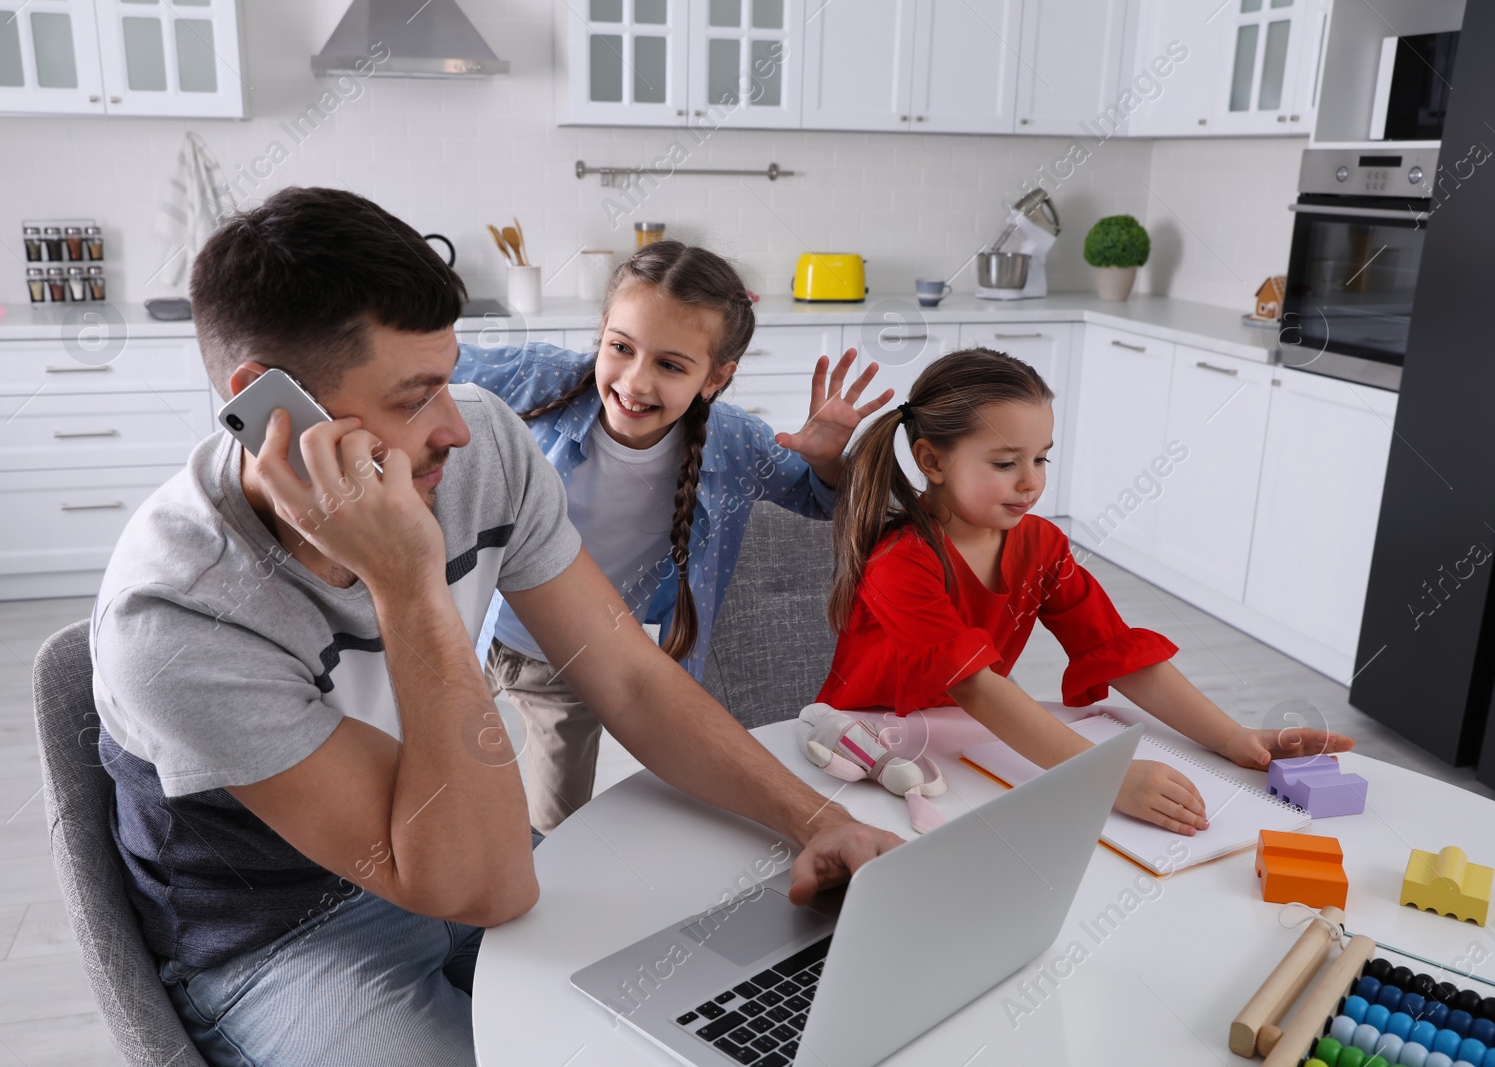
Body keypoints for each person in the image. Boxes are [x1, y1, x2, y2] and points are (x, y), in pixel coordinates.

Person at [89, 186, 902, 1067]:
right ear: (270, 407)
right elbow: (486, 885)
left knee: (731, 981)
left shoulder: (482, 444)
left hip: (454, 848)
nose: (459, 426)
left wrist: (814, 817)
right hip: (285, 936)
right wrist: (406, 581)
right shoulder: (178, 617)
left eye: (450, 374)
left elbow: (625, 676)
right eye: (415, 395)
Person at [816, 347, 1354, 834]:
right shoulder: (900, 563)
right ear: (932, 461)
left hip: (965, 743)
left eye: (1041, 458)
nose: (1031, 481)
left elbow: (1113, 650)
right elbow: (975, 687)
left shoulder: (1042, 546)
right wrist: (1108, 776)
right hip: (864, 750)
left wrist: (1230, 737)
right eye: (1006, 463)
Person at [454, 240, 892, 832]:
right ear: (601, 334)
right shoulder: (540, 380)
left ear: (716, 378)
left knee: (559, 830)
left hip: (574, 663)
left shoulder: (735, 444)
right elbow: (423, 371)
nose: (634, 381)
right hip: (470, 628)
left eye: (670, 365)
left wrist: (828, 464)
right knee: (438, 786)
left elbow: (823, 503)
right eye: (621, 348)